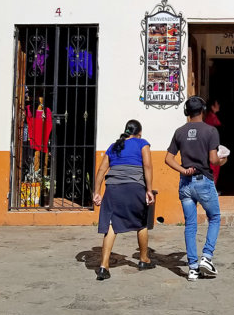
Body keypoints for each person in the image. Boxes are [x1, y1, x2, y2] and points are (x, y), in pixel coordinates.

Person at [165, 96, 227, 281]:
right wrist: (224, 159)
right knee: (214, 217)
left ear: (187, 112)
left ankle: (192, 268)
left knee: (190, 225)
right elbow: (214, 160)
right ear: (203, 110)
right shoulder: (210, 131)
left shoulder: (179, 132)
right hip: (203, 182)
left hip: (185, 184)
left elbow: (168, 159)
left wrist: (183, 170)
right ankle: (206, 257)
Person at [92, 119, 156, 280]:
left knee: (112, 225)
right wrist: (149, 189)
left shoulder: (114, 146)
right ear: (139, 133)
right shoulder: (142, 143)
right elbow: (147, 166)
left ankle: (103, 266)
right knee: (141, 222)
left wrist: (97, 192)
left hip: (113, 189)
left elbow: (101, 169)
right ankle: (143, 259)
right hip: (134, 187)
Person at [204, 98, 223, 184]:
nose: (218, 106)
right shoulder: (211, 117)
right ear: (212, 107)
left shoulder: (210, 116)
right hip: (211, 146)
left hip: (212, 145)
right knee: (214, 166)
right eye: (217, 104)